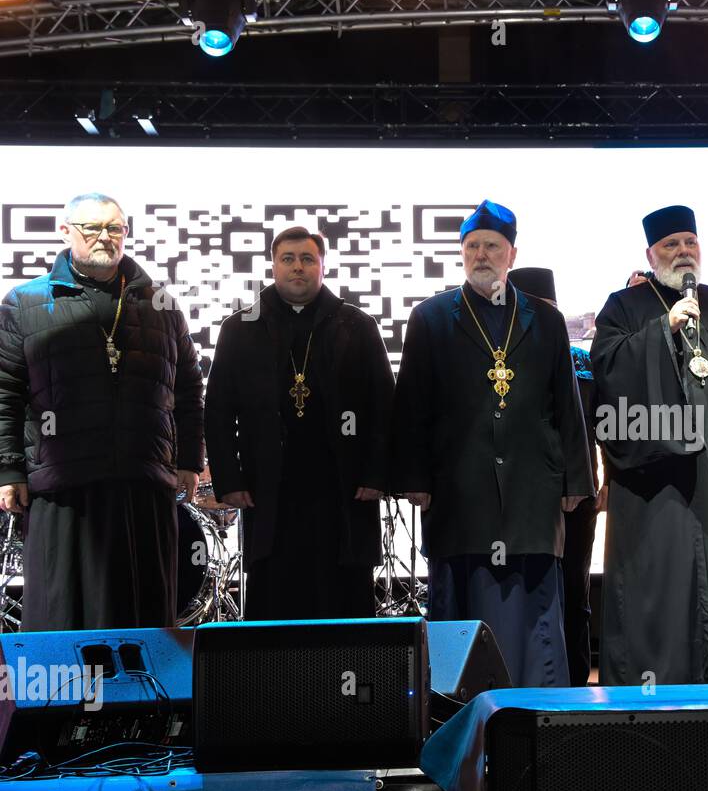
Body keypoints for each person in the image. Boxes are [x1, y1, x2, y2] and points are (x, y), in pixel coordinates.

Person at [391, 201, 593, 686]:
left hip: (533, 491)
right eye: (473, 246)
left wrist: (576, 478)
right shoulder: (431, 317)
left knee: (535, 619)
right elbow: (411, 407)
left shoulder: (545, 319)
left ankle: (537, 719)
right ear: (462, 253)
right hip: (459, 489)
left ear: (511, 253)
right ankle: (461, 720)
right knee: (459, 611)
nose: (482, 255)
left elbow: (567, 405)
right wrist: (413, 478)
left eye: (492, 246)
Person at [592, 205, 708, 686]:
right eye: (671, 245)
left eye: (689, 243)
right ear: (651, 254)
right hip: (661, 489)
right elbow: (608, 375)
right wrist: (662, 332)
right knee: (666, 599)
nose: (683, 253)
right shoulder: (623, 307)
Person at [0, 192, 203, 630]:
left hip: (143, 480)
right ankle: (64, 700)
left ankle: (145, 701)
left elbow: (188, 388)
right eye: (91, 227)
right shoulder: (25, 303)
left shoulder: (161, 304)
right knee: (62, 616)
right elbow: (5, 394)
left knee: (145, 617)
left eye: (114, 228)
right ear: (66, 232)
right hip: (61, 485)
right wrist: (8, 471)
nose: (104, 237)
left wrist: (189, 460)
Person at [205, 226, 394, 619]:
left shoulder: (357, 326)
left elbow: (384, 409)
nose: (297, 267)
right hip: (269, 489)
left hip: (342, 489)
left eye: (307, 259)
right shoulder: (240, 329)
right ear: (273, 265)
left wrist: (378, 474)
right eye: (288, 259)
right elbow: (219, 411)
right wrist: (229, 479)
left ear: (322, 265)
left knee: (346, 606)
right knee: (275, 603)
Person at [509, 266, 606, 687]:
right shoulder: (503, 360)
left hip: (577, 495)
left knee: (574, 594)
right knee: (523, 593)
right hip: (518, 497)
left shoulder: (581, 359)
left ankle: (575, 686)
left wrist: (611, 480)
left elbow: (608, 422)